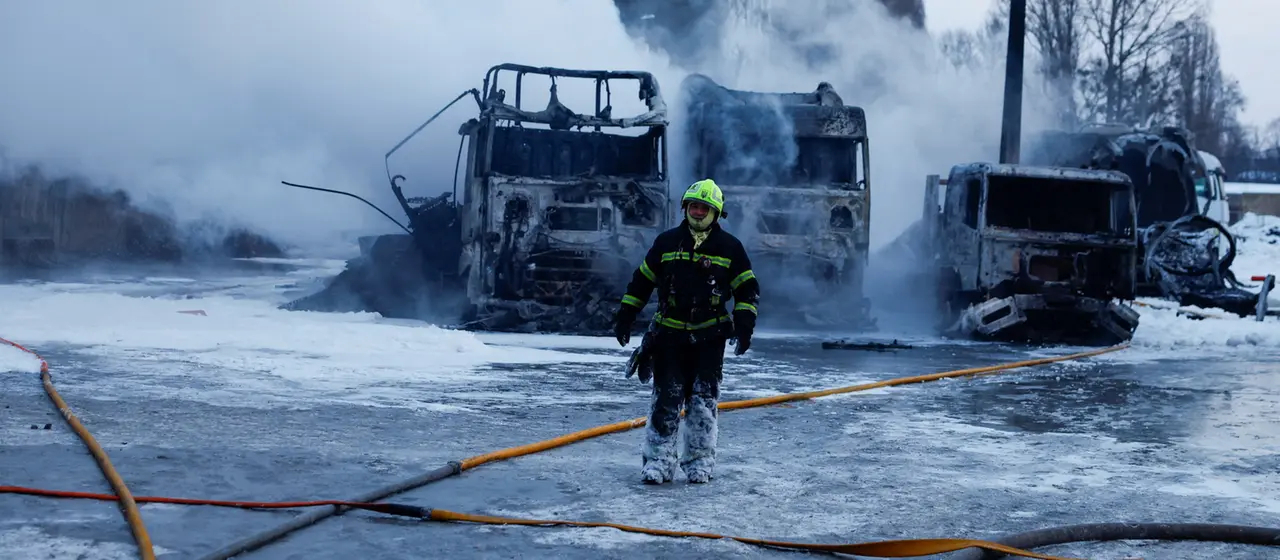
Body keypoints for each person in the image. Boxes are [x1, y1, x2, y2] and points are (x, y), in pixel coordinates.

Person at [613, 178, 760, 485]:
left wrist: (744, 326)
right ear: (685, 208)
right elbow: (642, 282)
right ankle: (658, 462)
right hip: (668, 337)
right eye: (693, 206)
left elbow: (747, 290)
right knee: (666, 400)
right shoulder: (667, 243)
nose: (697, 212)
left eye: (704, 207)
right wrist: (626, 315)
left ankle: (698, 462)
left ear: (716, 212)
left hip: (709, 339)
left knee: (702, 403)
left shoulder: (730, 248)